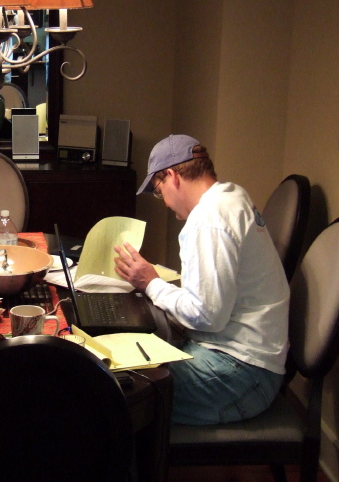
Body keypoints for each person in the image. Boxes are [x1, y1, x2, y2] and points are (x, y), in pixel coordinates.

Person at [113, 134, 289, 426]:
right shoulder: (231, 195)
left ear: (172, 176)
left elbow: (207, 316)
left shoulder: (209, 220)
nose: (165, 203)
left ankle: (133, 472)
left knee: (120, 391)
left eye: (159, 191)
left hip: (242, 375)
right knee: (134, 364)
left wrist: (151, 283)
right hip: (251, 361)